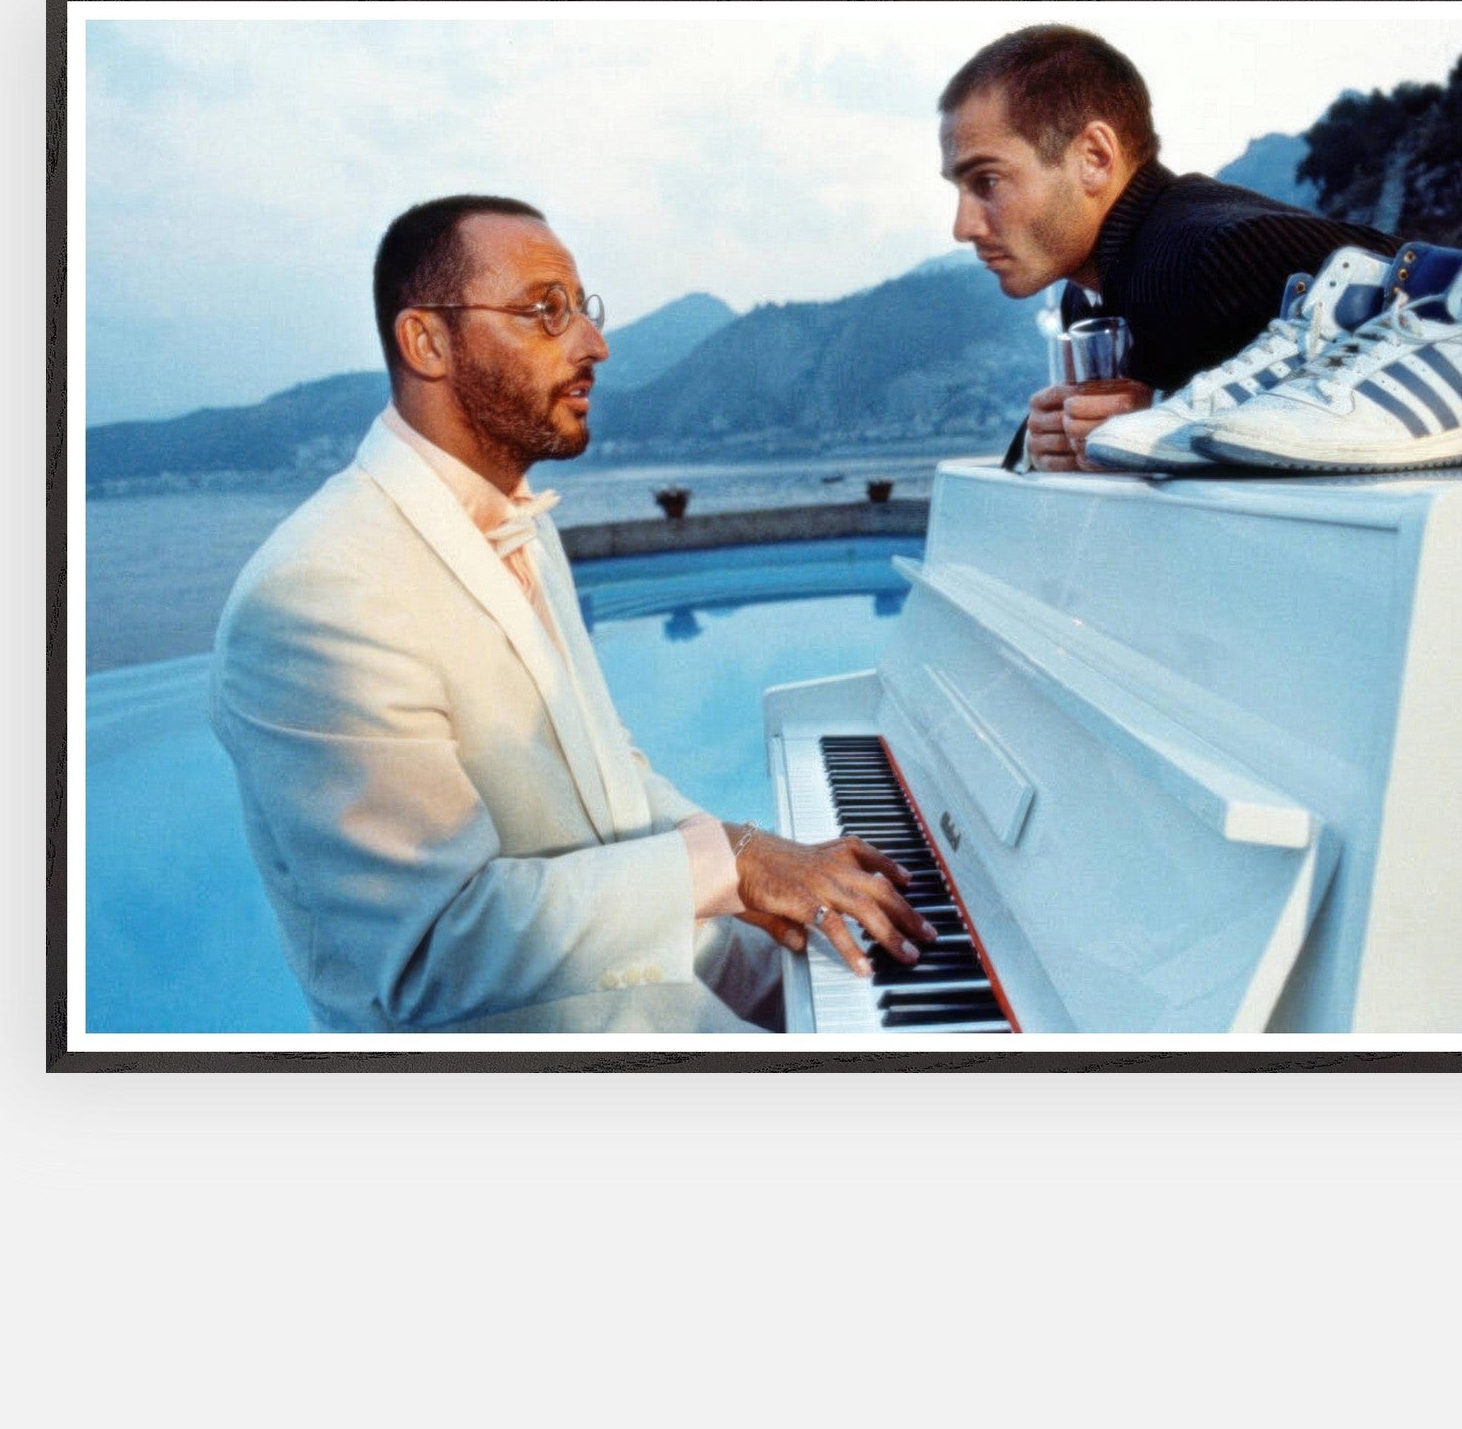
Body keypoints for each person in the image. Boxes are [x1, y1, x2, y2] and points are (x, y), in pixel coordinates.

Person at [210, 195, 933, 1032]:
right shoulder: (315, 597)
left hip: (653, 981)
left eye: (582, 311)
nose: (595, 344)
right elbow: (435, 951)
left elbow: (606, 774)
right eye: (546, 312)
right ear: (427, 342)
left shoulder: (525, 525)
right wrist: (729, 863)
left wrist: (759, 881)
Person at [937, 25, 1399, 470]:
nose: (963, 226)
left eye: (989, 181)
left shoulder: (1217, 255)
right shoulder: (1085, 294)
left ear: (1094, 158)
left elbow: (1450, 329)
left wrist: (1162, 419)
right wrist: (1044, 445)